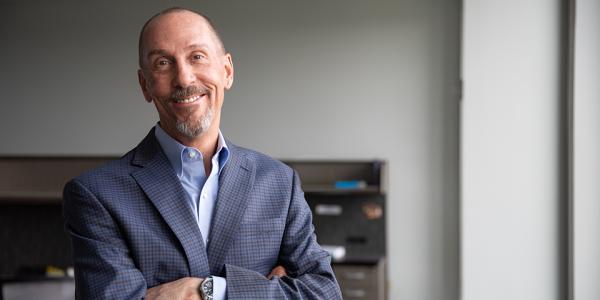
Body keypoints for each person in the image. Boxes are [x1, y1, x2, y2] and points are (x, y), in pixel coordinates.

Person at [62, 7, 342, 300]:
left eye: (197, 56)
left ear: (227, 71)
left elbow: (323, 293)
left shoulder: (280, 183)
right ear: (145, 85)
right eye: (162, 63)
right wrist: (264, 289)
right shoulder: (96, 194)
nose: (183, 79)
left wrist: (209, 290)